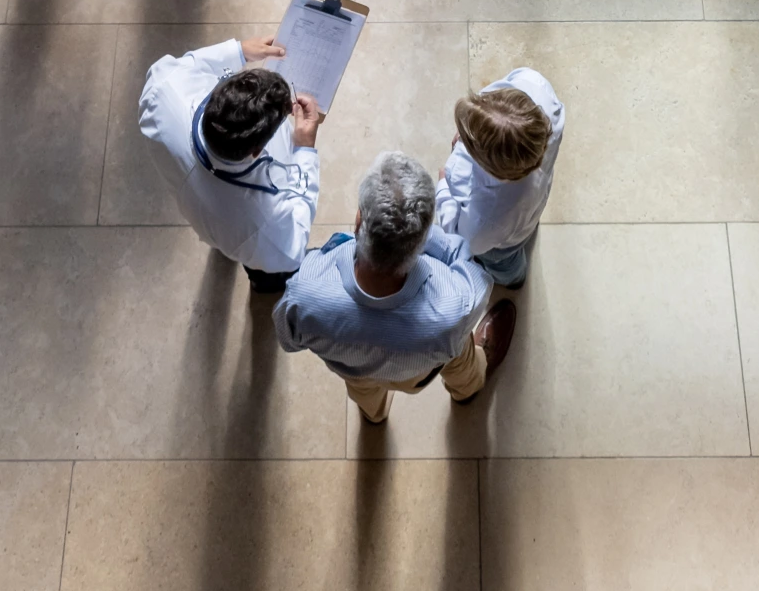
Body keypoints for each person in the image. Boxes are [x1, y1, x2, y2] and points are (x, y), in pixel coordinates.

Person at [277, 149, 502, 420]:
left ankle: (374, 416)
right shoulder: (453, 305)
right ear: (422, 238)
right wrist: (427, 235)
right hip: (422, 369)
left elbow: (287, 339)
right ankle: (467, 392)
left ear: (359, 220)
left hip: (354, 372)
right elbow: (475, 272)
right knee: (461, 361)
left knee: (365, 396)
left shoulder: (305, 292)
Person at [140, 34, 324, 295]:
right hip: (239, 234)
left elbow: (186, 66)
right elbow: (290, 252)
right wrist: (305, 149)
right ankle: (264, 285)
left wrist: (237, 51)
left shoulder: (164, 89)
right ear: (257, 150)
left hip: (203, 212)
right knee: (267, 271)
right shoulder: (261, 225)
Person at [432, 68, 563, 294]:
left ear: (491, 167)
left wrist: (443, 188)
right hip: (533, 203)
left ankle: (513, 279)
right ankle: (529, 232)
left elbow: (460, 235)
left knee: (504, 263)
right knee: (527, 223)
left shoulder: (484, 221)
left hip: (501, 245)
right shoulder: (536, 87)